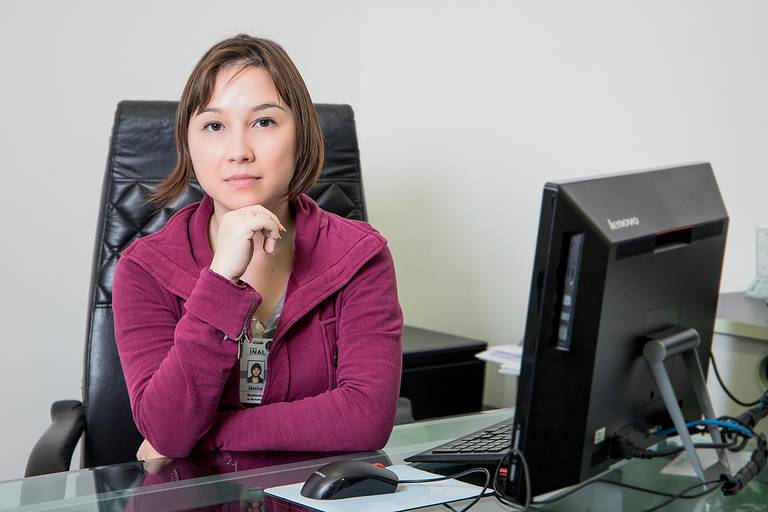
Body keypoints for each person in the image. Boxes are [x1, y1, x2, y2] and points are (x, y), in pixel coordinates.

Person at [111, 34, 403, 461]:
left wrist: (206, 435)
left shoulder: (360, 256)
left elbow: (366, 420)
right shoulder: (144, 269)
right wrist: (219, 280)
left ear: (300, 133)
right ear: (188, 144)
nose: (238, 152)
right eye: (214, 126)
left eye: (264, 122)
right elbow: (165, 427)